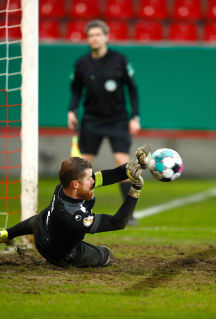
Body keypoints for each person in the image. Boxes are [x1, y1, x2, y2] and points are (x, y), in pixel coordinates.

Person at [0, 145, 152, 267]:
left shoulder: (65, 186)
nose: (93, 180)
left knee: (38, 220)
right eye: (90, 178)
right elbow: (117, 223)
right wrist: (135, 190)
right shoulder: (74, 217)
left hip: (42, 229)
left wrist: (134, 165)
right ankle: (88, 255)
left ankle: (6, 233)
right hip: (58, 254)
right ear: (76, 184)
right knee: (107, 255)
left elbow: (106, 176)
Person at [67, 20, 140, 224]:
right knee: (83, 166)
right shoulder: (81, 64)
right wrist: (72, 110)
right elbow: (75, 90)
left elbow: (132, 89)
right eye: (91, 35)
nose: (94, 38)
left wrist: (135, 116)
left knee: (123, 164)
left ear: (106, 36)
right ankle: (74, 208)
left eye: (98, 34)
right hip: (91, 120)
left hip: (117, 120)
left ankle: (128, 213)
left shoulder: (119, 60)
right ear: (88, 38)